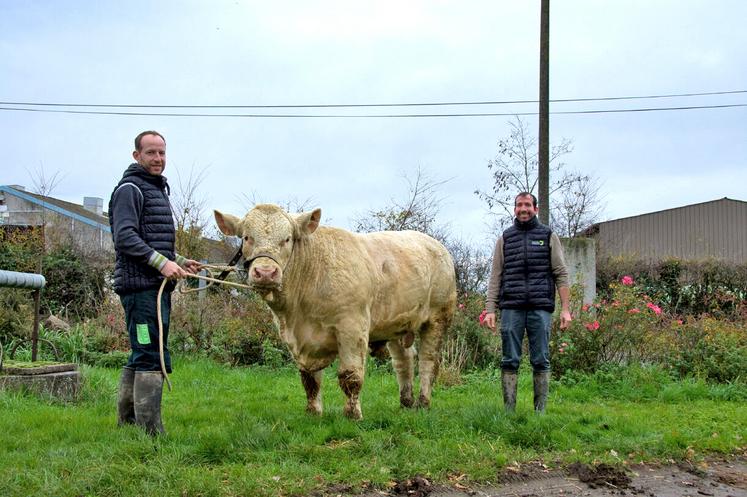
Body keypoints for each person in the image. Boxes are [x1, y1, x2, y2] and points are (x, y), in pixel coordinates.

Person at [108, 130, 200, 435]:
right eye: (151, 153)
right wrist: (162, 264)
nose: (158, 159)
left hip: (153, 287)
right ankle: (150, 432)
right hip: (140, 289)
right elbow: (125, 237)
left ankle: (128, 424)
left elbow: (152, 239)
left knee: (141, 353)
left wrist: (180, 260)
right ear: (137, 156)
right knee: (150, 354)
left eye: (162, 153)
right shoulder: (130, 189)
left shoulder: (155, 189)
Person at [484, 192, 572, 413]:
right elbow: (496, 276)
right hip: (511, 307)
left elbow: (560, 273)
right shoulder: (505, 238)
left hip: (540, 308)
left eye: (527, 205)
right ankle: (509, 412)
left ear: (536, 208)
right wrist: (490, 310)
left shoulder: (548, 236)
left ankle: (539, 414)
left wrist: (566, 310)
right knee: (509, 360)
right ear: (514, 209)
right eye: (519, 205)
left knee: (540, 360)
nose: (523, 209)